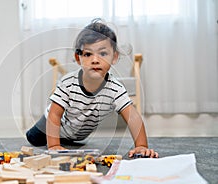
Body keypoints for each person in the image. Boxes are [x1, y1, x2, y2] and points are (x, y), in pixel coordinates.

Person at [26, 19, 158, 158]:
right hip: (50, 124)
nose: (95, 60)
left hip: (76, 133)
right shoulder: (68, 83)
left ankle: (63, 140)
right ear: (78, 58)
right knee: (34, 138)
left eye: (102, 53)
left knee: (72, 142)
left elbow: (133, 118)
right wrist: (54, 146)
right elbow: (54, 114)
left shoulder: (115, 89)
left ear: (114, 57)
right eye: (88, 54)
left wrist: (141, 146)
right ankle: (53, 139)